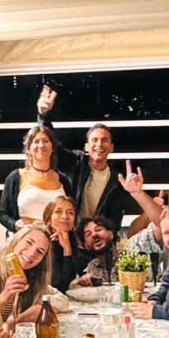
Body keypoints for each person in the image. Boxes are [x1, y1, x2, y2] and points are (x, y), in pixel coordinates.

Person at [36, 85, 127, 232]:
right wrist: (43, 115)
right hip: (67, 235)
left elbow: (114, 220)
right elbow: (53, 145)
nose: (99, 144)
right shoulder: (75, 163)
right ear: (86, 146)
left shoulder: (116, 181)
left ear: (111, 147)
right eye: (95, 140)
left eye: (104, 140)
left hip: (94, 242)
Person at [0, 224, 69, 321]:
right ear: (15, 241)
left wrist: (40, 307)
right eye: (29, 242)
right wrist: (4, 296)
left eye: (40, 251)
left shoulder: (30, 275)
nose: (32, 252)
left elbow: (63, 301)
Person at [0, 124, 71, 232]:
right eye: (36, 141)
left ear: (52, 148)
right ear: (28, 149)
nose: (41, 145)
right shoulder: (15, 177)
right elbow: (2, 214)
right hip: (25, 240)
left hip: (56, 242)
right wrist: (15, 225)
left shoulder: (63, 180)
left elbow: (71, 212)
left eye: (45, 141)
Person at [42, 196, 86, 293]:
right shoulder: (43, 242)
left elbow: (79, 271)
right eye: (58, 211)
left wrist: (85, 276)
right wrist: (67, 250)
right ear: (48, 219)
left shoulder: (73, 240)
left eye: (70, 213)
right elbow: (60, 286)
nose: (65, 216)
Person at [74, 215, 120, 285]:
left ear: (111, 234)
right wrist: (82, 281)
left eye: (98, 229)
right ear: (85, 245)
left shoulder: (129, 258)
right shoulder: (87, 270)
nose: (94, 235)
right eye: (88, 234)